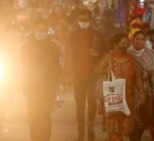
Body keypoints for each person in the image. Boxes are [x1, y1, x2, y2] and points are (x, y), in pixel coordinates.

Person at [65, 8, 109, 141]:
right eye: (81, 19)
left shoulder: (97, 35)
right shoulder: (72, 35)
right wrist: (68, 74)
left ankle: (90, 128)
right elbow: (68, 55)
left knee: (92, 102)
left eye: (86, 20)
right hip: (78, 75)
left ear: (91, 20)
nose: (83, 22)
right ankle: (81, 131)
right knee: (80, 104)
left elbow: (106, 52)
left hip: (93, 75)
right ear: (77, 20)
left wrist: (97, 54)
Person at [94, 33, 146, 141]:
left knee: (125, 127)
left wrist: (142, 93)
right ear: (115, 44)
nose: (125, 45)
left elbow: (137, 77)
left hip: (128, 99)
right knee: (113, 130)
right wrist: (105, 70)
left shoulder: (131, 59)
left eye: (127, 43)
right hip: (112, 98)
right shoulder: (108, 57)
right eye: (122, 43)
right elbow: (96, 70)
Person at [20, 15, 61, 141]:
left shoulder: (53, 47)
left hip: (47, 89)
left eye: (43, 30)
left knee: (45, 117)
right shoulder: (25, 47)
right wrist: (24, 86)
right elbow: (21, 68)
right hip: (31, 88)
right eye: (39, 29)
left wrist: (55, 87)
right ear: (34, 29)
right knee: (33, 117)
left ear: (47, 29)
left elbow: (57, 69)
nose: (41, 32)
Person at [127, 30, 154, 141]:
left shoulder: (150, 53)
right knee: (133, 117)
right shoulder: (128, 53)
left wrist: (148, 75)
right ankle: (134, 138)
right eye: (137, 39)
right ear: (133, 40)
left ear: (145, 41)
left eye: (142, 39)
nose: (140, 41)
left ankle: (136, 136)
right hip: (131, 90)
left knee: (147, 116)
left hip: (146, 90)